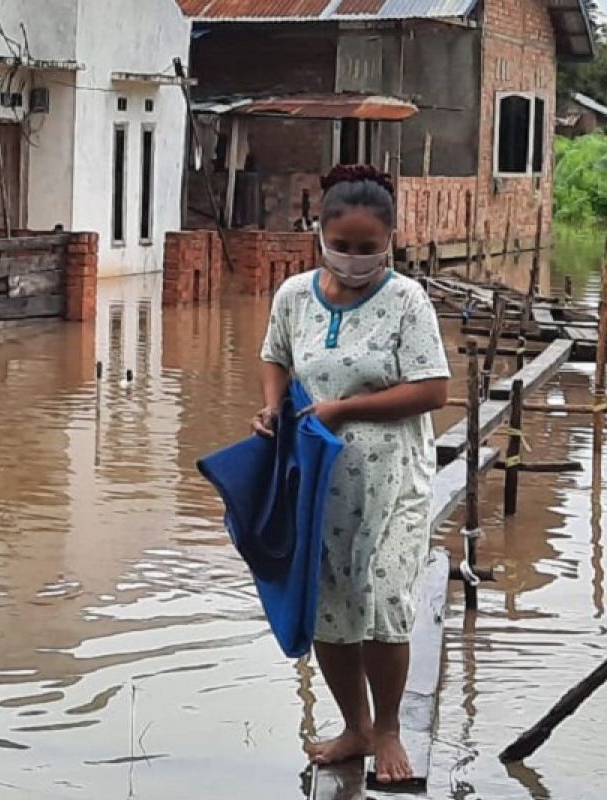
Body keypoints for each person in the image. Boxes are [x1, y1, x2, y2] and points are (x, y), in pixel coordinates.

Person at [251, 164, 450, 783]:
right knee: (332, 604)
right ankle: (354, 727)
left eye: (369, 249)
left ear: (390, 241)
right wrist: (271, 406)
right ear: (320, 234)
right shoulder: (293, 296)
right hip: (322, 482)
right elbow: (275, 356)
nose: (354, 259)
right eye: (343, 246)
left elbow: (434, 389)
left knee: (385, 599)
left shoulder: (406, 302)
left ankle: (388, 728)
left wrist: (346, 408)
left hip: (395, 479)